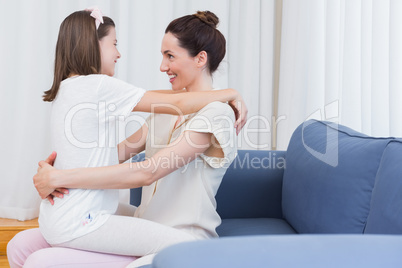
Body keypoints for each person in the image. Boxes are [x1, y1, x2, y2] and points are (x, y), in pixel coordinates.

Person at [7, 9, 243, 268]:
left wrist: (62, 178)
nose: (162, 66)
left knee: (42, 261)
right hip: (144, 227)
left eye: (170, 56)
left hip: (182, 239)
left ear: (200, 59)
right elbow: (114, 154)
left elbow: (148, 171)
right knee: (20, 245)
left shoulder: (217, 114)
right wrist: (55, 170)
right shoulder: (163, 112)